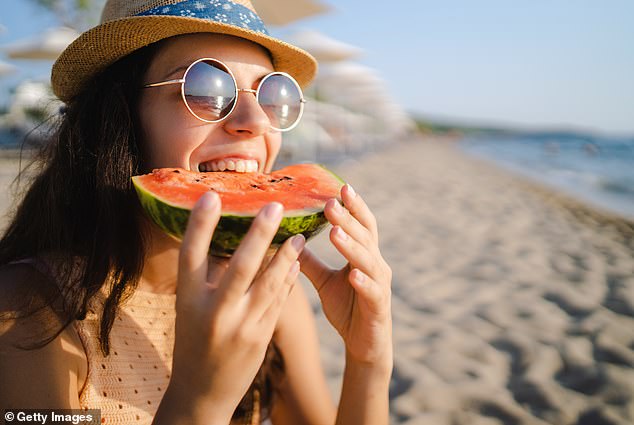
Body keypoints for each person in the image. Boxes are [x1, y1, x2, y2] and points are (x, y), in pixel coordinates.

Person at [0, 0, 393, 424]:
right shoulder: (25, 315)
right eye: (206, 89)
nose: (254, 121)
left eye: (272, 94)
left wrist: (368, 360)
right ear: (120, 117)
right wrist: (198, 400)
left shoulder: (269, 292)